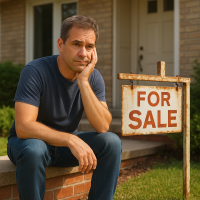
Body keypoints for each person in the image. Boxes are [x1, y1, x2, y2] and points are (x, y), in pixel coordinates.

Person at [7, 15, 122, 200]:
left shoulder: (92, 76)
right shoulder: (35, 71)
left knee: (112, 142)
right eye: (76, 44)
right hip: (28, 143)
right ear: (61, 44)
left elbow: (102, 126)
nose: (83, 53)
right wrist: (70, 139)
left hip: (63, 148)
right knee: (35, 150)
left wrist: (83, 81)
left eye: (89, 46)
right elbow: (23, 127)